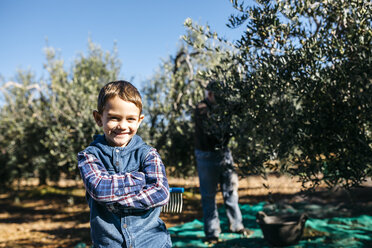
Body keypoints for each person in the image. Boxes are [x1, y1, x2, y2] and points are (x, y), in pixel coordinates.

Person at [77, 80, 172, 248]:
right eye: (114, 118)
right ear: (98, 118)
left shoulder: (149, 154)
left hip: (151, 242)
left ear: (140, 120)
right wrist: (141, 179)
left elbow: (161, 192)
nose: (122, 126)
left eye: (130, 119)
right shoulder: (89, 156)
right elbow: (99, 189)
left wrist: (113, 200)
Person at [194, 81, 253, 243]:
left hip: (224, 153)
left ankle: (237, 225)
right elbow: (210, 129)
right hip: (206, 156)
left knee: (231, 191)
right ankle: (212, 232)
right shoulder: (201, 109)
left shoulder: (222, 107)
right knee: (208, 196)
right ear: (210, 94)